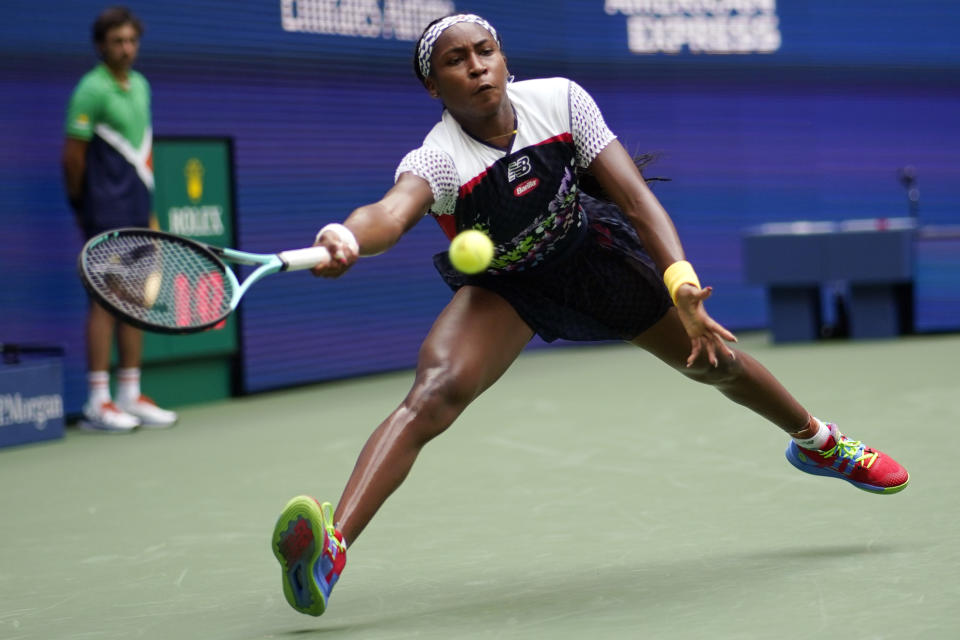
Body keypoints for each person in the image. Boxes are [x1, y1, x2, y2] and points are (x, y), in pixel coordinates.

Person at [270, 14, 910, 617]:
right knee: (432, 394)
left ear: (504, 59)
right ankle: (331, 551)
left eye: (485, 51)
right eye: (456, 61)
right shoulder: (438, 159)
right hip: (509, 286)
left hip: (593, 258)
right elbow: (389, 213)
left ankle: (821, 444)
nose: (476, 67)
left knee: (716, 360)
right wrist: (345, 237)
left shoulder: (560, 101)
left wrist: (681, 285)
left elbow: (634, 199)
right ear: (433, 85)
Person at [62, 6, 177, 432]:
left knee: (135, 299)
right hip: (104, 211)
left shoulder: (142, 85)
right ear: (101, 46)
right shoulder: (90, 90)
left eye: (131, 41)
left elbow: (141, 158)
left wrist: (147, 212)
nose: (126, 49)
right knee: (104, 301)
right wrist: (84, 206)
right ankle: (97, 400)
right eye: (117, 42)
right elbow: (72, 158)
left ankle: (130, 392)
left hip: (135, 208)